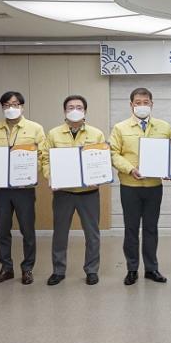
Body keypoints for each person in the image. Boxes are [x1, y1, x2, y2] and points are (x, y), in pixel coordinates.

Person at [0, 91, 47, 286]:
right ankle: (6, 268)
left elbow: (42, 155)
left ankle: (27, 268)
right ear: (2, 107)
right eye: (7, 105)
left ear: (22, 107)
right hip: (1, 190)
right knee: (3, 230)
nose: (11, 108)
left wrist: (30, 172)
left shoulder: (35, 128)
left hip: (24, 188)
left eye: (15, 104)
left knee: (27, 230)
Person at [110, 87, 171, 285]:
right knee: (131, 228)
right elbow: (113, 153)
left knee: (151, 228)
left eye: (146, 102)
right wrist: (129, 169)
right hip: (130, 186)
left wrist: (170, 169)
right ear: (131, 105)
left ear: (152, 104)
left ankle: (152, 268)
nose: (142, 106)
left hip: (154, 186)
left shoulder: (164, 127)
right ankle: (132, 269)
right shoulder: (120, 128)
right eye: (138, 103)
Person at [43, 95, 105, 286]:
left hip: (89, 193)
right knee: (60, 233)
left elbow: (102, 159)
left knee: (92, 234)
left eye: (79, 107)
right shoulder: (54, 134)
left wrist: (100, 177)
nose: (75, 110)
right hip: (63, 193)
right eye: (71, 107)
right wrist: (50, 176)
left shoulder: (96, 134)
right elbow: (45, 158)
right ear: (64, 111)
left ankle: (92, 270)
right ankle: (58, 270)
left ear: (85, 111)